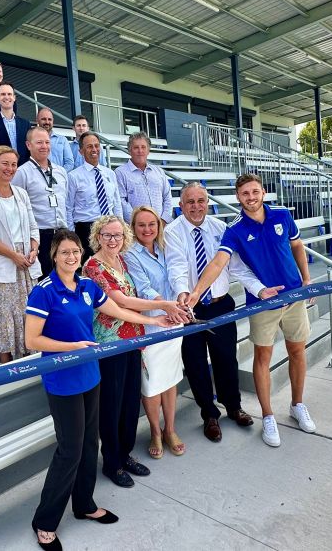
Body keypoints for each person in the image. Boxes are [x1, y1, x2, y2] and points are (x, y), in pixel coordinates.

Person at [25, 229, 172, 551]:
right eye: (64, 252)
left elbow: (118, 311)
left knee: (91, 443)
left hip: (90, 376)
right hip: (63, 380)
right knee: (70, 449)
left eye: (75, 252)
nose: (71, 257)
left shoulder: (88, 286)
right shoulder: (44, 291)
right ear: (54, 255)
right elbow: (32, 340)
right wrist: (73, 347)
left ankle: (84, 505)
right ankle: (45, 521)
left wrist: (156, 320)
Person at [188, 173, 315, 448]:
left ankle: (297, 404)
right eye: (245, 194)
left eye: (255, 192)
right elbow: (219, 262)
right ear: (238, 197)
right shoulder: (234, 229)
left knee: (297, 352)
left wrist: (306, 279)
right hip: (263, 303)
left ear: (263, 192)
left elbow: (296, 245)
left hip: (294, 296)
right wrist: (197, 291)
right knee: (262, 358)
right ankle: (268, 416)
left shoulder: (282, 215)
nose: (251, 197)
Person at [83, 215, 187, 487]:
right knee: (112, 405)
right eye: (107, 235)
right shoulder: (93, 265)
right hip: (110, 343)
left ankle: (125, 453)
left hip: (134, 340)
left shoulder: (123, 261)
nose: (113, 240)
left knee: (130, 402)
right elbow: (120, 301)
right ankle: (112, 462)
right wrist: (163, 307)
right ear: (98, 237)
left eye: (118, 235)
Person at [164, 182, 262, 442]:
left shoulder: (221, 229)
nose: (196, 207)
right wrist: (183, 294)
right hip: (189, 308)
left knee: (226, 359)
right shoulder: (172, 232)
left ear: (208, 203)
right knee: (196, 365)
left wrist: (260, 289)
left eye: (201, 201)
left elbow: (238, 267)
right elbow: (176, 266)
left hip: (220, 304)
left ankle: (233, 407)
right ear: (181, 205)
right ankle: (209, 414)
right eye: (190, 202)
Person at [123, 206, 186, 458]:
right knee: (151, 384)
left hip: (174, 320)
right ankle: (155, 432)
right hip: (150, 325)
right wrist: (166, 306)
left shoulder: (165, 247)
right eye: (141, 225)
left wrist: (179, 302)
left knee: (170, 379)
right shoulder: (129, 253)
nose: (147, 229)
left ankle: (170, 429)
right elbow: (143, 287)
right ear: (133, 228)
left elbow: (177, 275)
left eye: (152, 224)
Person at [0, 145, 40, 364]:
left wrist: (33, 249)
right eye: (5, 163)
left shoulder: (21, 193)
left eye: (13, 164)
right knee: (5, 318)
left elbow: (33, 227)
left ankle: (29, 361)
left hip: (26, 264)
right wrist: (14, 255)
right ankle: (7, 366)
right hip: (4, 263)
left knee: (28, 315)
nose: (10, 169)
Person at [12, 127, 69, 277]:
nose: (44, 146)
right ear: (28, 145)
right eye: (39, 142)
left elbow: (67, 204)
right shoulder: (21, 173)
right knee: (45, 283)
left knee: (66, 281)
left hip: (62, 235)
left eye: (47, 142)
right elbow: (17, 210)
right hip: (40, 238)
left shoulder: (61, 172)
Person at [67, 132, 123, 262]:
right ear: (81, 151)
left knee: (111, 266)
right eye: (89, 146)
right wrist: (72, 236)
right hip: (87, 230)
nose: (94, 149)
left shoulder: (110, 173)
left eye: (97, 146)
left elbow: (117, 204)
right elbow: (68, 208)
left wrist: (120, 227)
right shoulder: (74, 176)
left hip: (110, 228)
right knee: (92, 269)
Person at [115, 132, 173, 224]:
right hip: (136, 228)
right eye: (136, 147)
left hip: (161, 226)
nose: (140, 151)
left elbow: (167, 197)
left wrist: (164, 220)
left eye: (143, 147)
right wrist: (138, 222)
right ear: (129, 150)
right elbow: (121, 200)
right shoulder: (120, 173)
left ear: (148, 150)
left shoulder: (159, 172)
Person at [0, 81, 31, 163]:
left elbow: (29, 149)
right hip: (1, 171)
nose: (6, 97)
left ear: (14, 97)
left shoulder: (25, 124)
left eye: (9, 94)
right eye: (3, 94)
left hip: (23, 170)